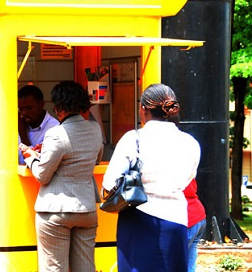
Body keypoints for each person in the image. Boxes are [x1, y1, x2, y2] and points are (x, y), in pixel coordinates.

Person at [102, 83, 201, 272]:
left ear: (143, 109)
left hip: (137, 220)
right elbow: (188, 179)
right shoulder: (191, 143)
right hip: (177, 219)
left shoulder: (133, 138)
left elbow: (109, 182)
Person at [21, 80, 103, 272]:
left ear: (58, 108)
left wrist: (30, 158)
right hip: (86, 209)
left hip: (55, 210)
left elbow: (42, 175)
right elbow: (96, 159)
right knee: (85, 268)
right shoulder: (95, 129)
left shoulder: (56, 133)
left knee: (54, 268)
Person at [18, 84, 59, 161]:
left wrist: (22, 134)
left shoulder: (54, 128)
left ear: (41, 104)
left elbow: (40, 164)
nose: (24, 113)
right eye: (20, 109)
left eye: (29, 108)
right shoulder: (20, 123)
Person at [185, 178, 207, 272]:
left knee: (175, 259)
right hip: (198, 214)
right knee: (189, 261)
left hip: (188, 217)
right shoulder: (188, 169)